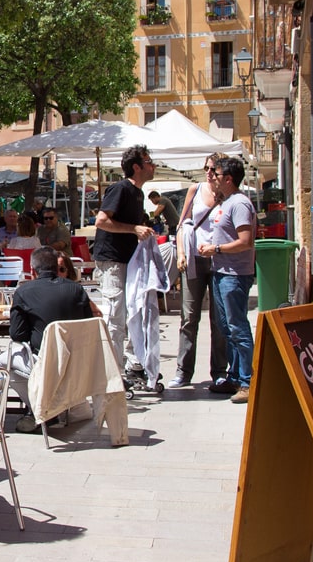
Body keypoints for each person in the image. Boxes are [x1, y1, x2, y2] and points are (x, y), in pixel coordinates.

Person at [4, 247, 97, 431]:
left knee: (5, 361)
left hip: (45, 361)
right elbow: (88, 324)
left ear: (32, 270)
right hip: (78, 362)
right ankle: (50, 407)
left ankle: (40, 408)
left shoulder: (24, 292)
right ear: (58, 267)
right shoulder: (76, 290)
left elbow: (17, 335)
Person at [198, 157, 256, 404]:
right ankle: (234, 376)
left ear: (229, 179)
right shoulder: (226, 201)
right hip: (221, 272)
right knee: (226, 327)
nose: (212, 176)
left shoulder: (240, 204)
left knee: (238, 327)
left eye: (217, 173)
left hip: (235, 274)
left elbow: (246, 241)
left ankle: (248, 381)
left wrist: (216, 249)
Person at [93, 145, 157, 368]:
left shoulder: (138, 193)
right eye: (149, 162)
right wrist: (134, 229)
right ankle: (113, 371)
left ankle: (130, 362)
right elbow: (101, 221)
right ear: (137, 167)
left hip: (128, 261)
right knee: (115, 316)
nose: (153, 166)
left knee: (133, 312)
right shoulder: (120, 188)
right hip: (112, 260)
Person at [170, 154, 229, 389]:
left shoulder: (230, 195)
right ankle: (183, 372)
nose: (208, 172)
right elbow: (182, 224)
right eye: (206, 168)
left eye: (213, 169)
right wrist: (182, 253)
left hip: (219, 260)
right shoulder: (195, 190)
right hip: (193, 259)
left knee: (219, 319)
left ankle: (219, 372)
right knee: (189, 316)